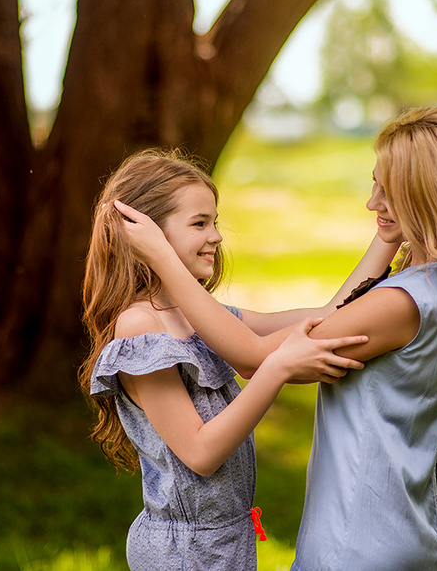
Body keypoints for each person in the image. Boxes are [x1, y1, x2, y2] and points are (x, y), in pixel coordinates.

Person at [115, 106, 437, 570]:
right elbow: (331, 316)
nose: (372, 203)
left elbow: (254, 356)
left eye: (388, 192)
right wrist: (390, 234)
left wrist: (161, 258)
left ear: (427, 196)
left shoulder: (400, 302)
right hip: (415, 530)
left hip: (357, 544)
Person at [78, 149, 372, 571]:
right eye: (199, 223)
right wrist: (279, 369)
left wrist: (387, 241)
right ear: (147, 235)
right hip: (183, 552)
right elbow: (199, 451)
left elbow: (326, 319)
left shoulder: (201, 318)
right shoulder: (140, 325)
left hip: (227, 540)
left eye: (214, 221)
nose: (216, 235)